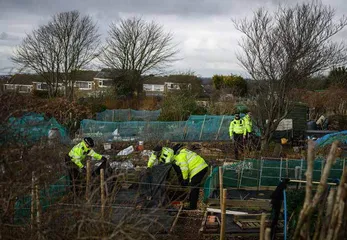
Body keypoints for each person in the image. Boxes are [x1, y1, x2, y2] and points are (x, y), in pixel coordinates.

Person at [172, 144, 208, 210]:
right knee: (194, 186)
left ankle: (192, 206)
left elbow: (184, 168)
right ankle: (191, 200)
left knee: (194, 187)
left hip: (198, 168)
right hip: (201, 167)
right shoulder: (185, 152)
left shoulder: (180, 156)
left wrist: (185, 179)